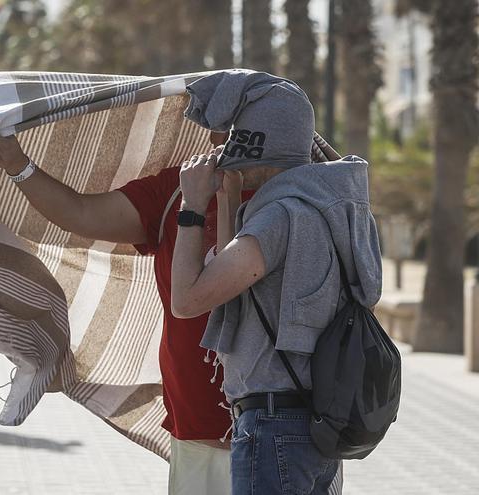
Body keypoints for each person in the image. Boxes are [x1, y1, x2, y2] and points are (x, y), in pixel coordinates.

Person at [0, 128, 242, 494]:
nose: (227, 132)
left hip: (288, 431)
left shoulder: (299, 192)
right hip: (200, 430)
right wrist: (17, 164)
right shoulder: (182, 187)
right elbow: (83, 213)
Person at [170, 69, 379, 493]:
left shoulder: (280, 217)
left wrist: (192, 207)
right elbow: (240, 285)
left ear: (254, 143)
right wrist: (229, 202)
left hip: (274, 426)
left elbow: (189, 299)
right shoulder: (329, 207)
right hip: (315, 425)